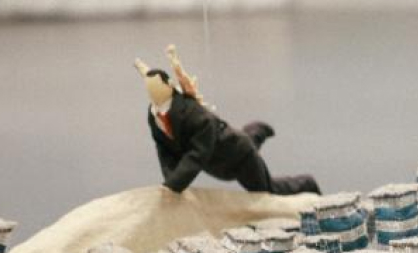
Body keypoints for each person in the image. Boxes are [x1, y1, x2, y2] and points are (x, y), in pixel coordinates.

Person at [135, 55, 320, 195]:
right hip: (219, 159)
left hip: (239, 158)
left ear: (169, 85)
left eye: (156, 87)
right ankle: (254, 132)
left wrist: (174, 184)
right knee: (236, 140)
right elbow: (164, 148)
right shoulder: (154, 115)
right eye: (149, 89)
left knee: (265, 191)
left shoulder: (196, 116)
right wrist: (169, 180)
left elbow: (197, 154)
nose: (152, 93)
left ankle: (306, 183)